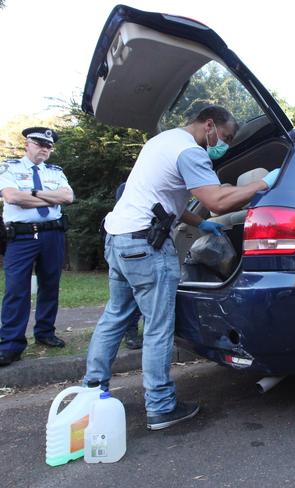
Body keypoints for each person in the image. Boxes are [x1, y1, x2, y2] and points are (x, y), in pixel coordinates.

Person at [83, 105, 280, 430]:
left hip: (118, 239)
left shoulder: (162, 142)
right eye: (226, 138)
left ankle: (92, 391)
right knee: (159, 326)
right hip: (145, 246)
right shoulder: (190, 152)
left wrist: (202, 224)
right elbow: (218, 200)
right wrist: (262, 185)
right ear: (209, 124)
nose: (225, 146)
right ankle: (160, 406)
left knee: (114, 317)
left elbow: (165, 198)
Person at [0, 127, 74, 366]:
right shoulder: (9, 168)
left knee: (50, 285)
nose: (44, 148)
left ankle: (45, 333)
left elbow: (67, 198)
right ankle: (11, 344)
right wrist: (46, 197)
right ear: (27, 145)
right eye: (39, 143)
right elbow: (12, 197)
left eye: (48, 145)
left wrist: (30, 193)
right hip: (21, 237)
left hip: (52, 234)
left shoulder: (55, 172)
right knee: (16, 289)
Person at [115, 182, 143, 350]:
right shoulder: (128, 186)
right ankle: (131, 332)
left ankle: (131, 332)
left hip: (119, 241)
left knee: (119, 304)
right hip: (134, 241)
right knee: (134, 294)